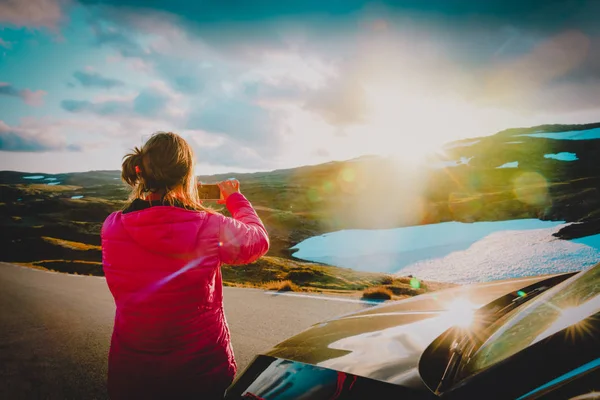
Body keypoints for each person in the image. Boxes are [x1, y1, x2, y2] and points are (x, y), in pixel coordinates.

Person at [101, 132, 270, 399]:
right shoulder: (209, 226)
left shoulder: (113, 226)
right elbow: (258, 241)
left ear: (142, 171)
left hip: (133, 371)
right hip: (198, 371)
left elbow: (161, 221)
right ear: (188, 174)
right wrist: (234, 199)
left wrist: (184, 202)